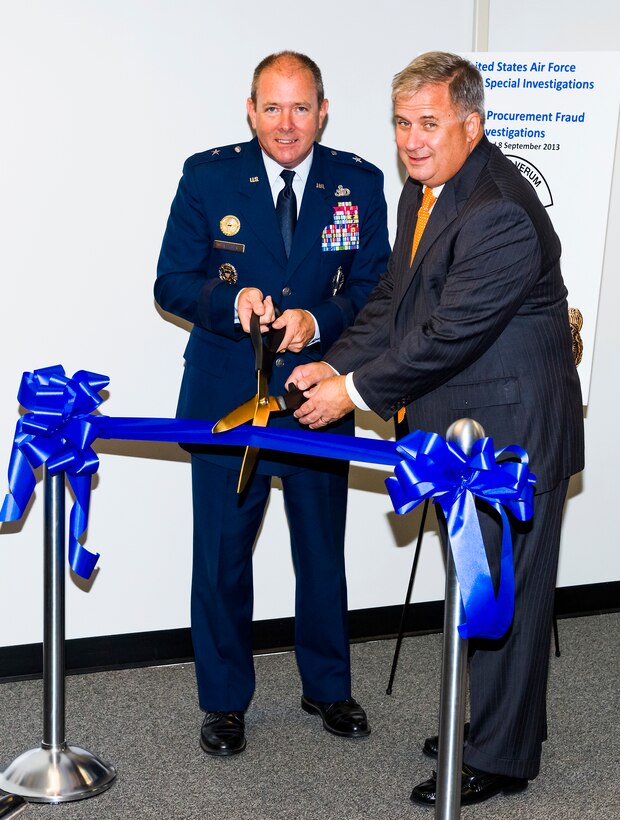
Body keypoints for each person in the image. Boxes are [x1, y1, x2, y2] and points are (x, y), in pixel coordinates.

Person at [288, 51, 584, 805]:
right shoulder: (424, 192)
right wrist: (331, 362)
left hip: (512, 433)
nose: (411, 140)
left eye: (429, 122)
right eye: (401, 123)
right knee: (480, 585)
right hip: (466, 426)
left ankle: (499, 758)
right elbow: (396, 297)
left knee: (501, 597)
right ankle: (496, 725)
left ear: (472, 124)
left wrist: (350, 392)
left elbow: (446, 334)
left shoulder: (498, 214)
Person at [154, 51, 390, 756]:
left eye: (300, 107)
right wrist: (231, 302)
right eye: (271, 107)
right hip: (228, 397)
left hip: (319, 395)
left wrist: (317, 322)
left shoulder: (360, 182)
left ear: (323, 111)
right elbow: (171, 281)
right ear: (250, 110)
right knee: (222, 557)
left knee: (322, 554)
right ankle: (224, 702)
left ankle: (328, 686)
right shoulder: (208, 176)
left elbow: (379, 286)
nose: (286, 124)